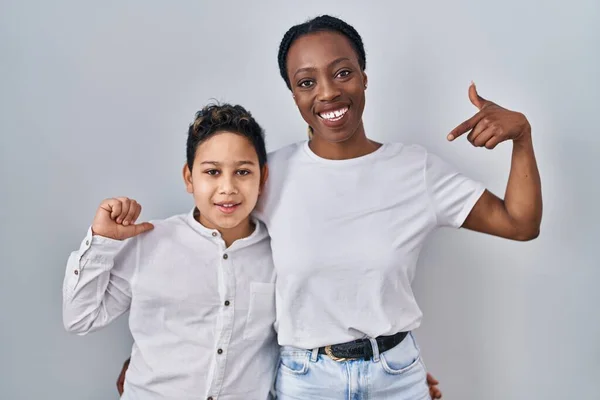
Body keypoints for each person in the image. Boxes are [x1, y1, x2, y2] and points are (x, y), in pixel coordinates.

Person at [251, 14, 542, 399]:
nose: (327, 93)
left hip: (397, 378)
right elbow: (214, 261)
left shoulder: (414, 170)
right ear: (294, 94)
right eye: (307, 82)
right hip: (306, 382)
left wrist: (522, 136)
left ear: (364, 77)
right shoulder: (267, 176)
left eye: (342, 73)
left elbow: (520, 224)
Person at [62, 104, 279, 400]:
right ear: (189, 177)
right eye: (212, 172)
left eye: (242, 172)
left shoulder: (279, 252)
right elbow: (80, 318)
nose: (227, 188)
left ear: (262, 176)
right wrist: (101, 242)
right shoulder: (151, 242)